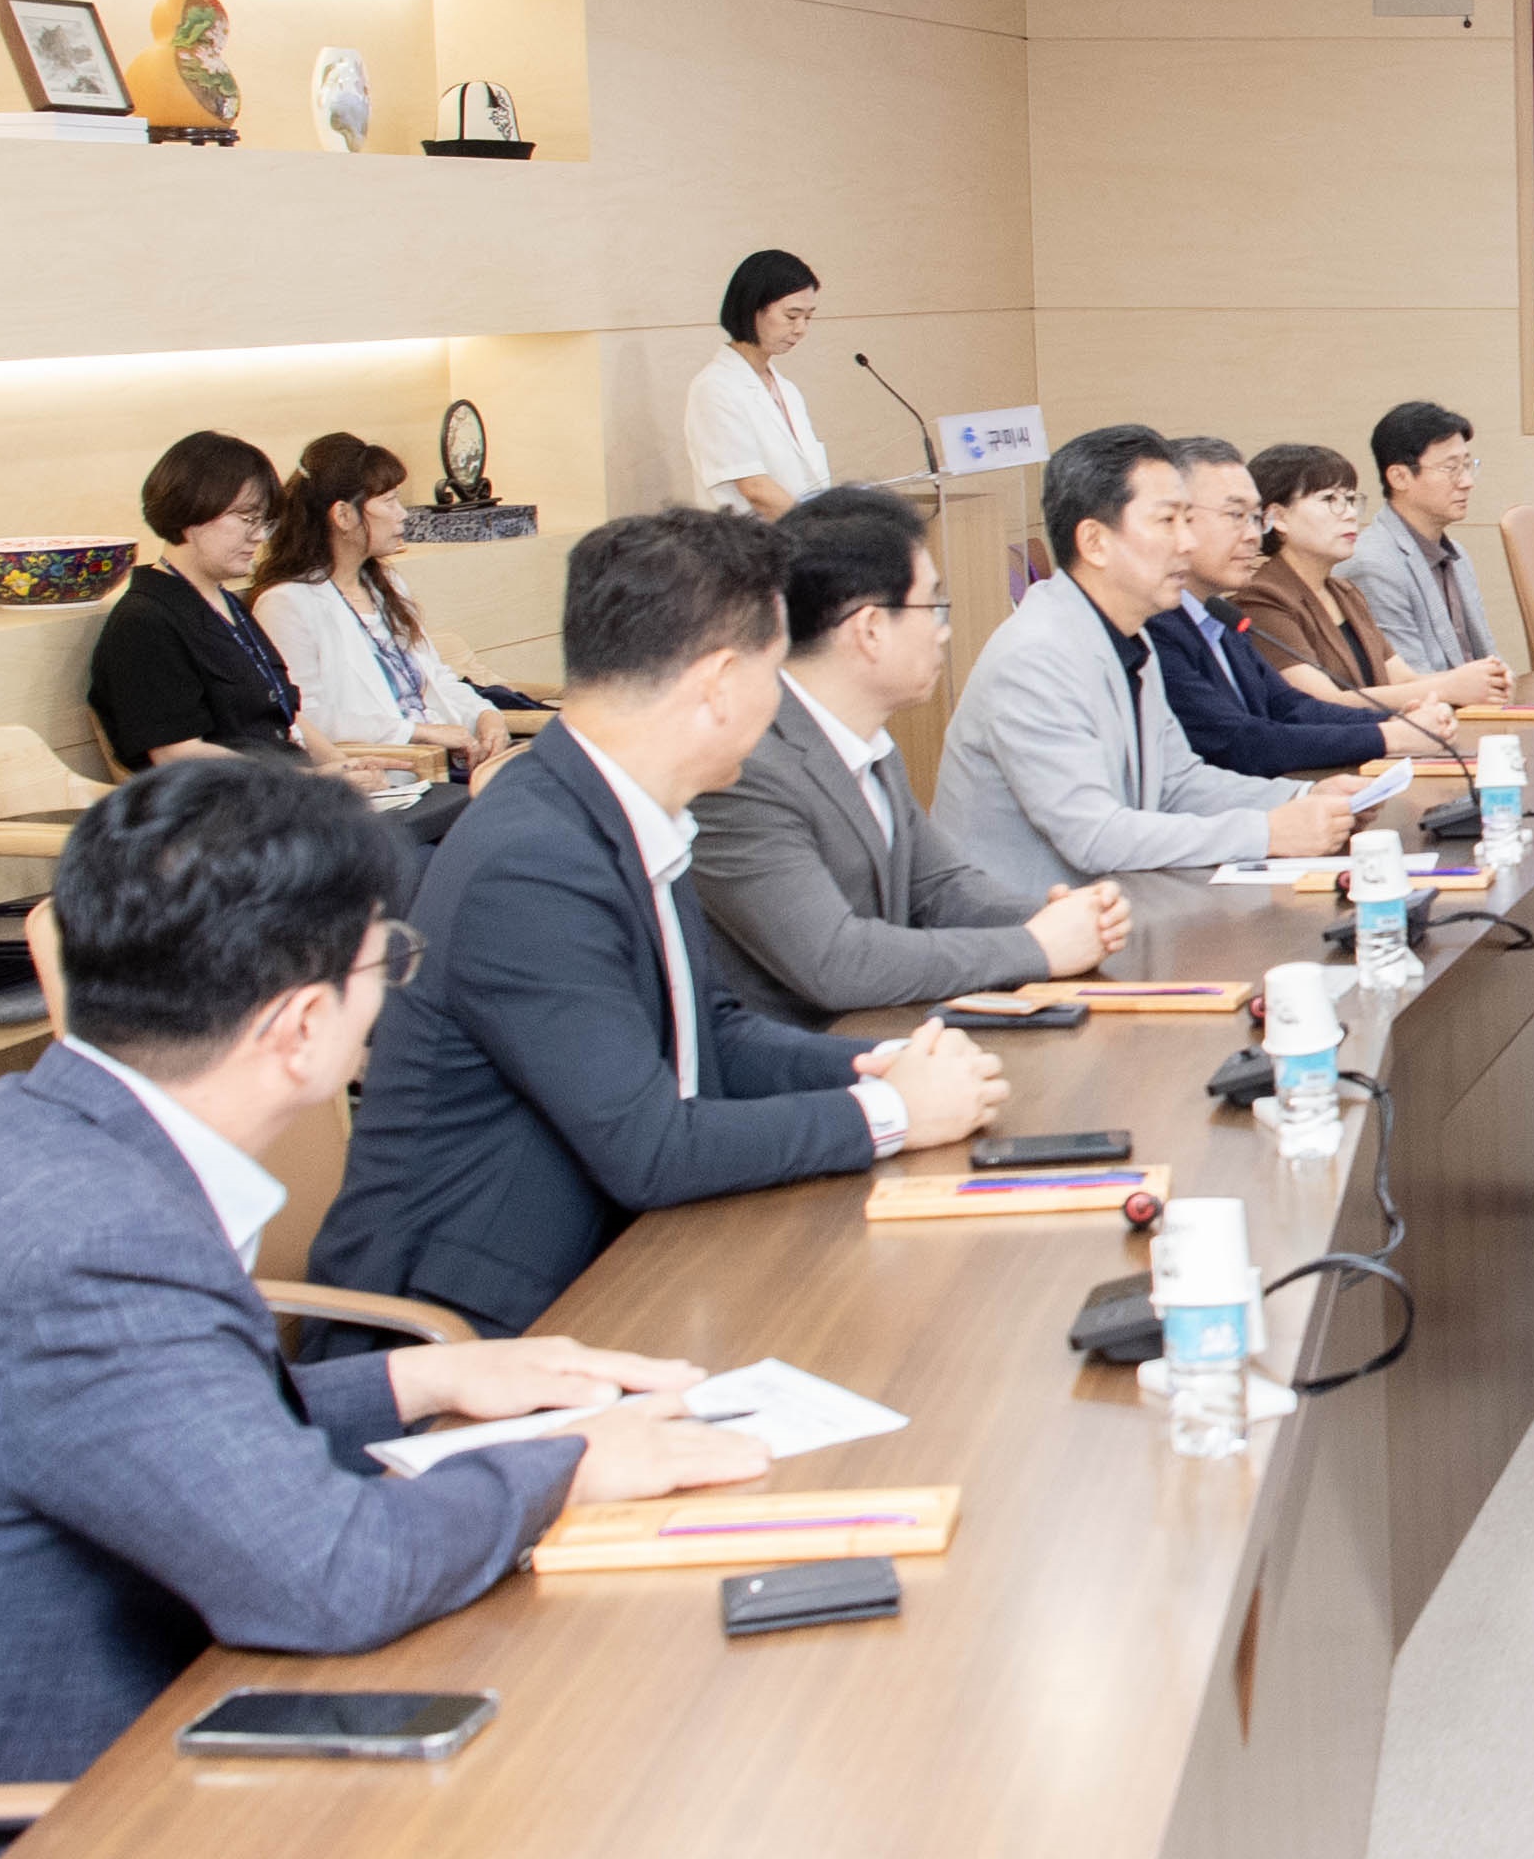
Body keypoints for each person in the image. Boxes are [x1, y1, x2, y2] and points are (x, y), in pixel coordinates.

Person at [0, 760, 765, 1859]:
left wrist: (418, 1384)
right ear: (301, 1028)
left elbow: (130, 1424)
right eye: (384, 962)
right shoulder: (101, 1240)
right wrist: (565, 1466)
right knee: (578, 1815)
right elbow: (332, 1576)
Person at [311, 511, 1008, 1336]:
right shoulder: (533, 863)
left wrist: (879, 1064)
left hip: (620, 1262)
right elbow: (650, 1149)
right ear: (718, 684)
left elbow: (710, 1035)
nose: (781, 703)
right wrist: (891, 1113)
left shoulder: (622, 805)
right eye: (775, 672)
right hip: (484, 1321)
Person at [696, 484, 1130, 1030]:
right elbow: (837, 961)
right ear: (870, 629)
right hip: (806, 1060)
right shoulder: (746, 770)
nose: (943, 633)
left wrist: (1064, 918)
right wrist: (1036, 946)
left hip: (893, 1034)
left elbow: (940, 888)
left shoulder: (869, 741)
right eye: (933, 607)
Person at [935, 425, 1375, 884]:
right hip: (1027, 919)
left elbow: (1177, 783)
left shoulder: (1130, 636)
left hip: (1117, 902)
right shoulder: (1036, 656)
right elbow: (1094, 836)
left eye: (1188, 520)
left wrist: (1303, 800)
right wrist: (1266, 832)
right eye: (1168, 521)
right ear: (1095, 542)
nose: (1187, 542)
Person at [88, 430, 468, 878]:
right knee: (421, 862)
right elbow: (178, 757)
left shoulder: (225, 603)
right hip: (228, 824)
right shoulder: (145, 621)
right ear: (190, 513)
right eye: (246, 520)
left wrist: (341, 765)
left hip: (287, 803)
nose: (258, 536)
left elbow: (288, 714)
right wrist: (309, 781)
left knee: (461, 830)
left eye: (263, 522)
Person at [246, 431, 514, 786]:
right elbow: (305, 717)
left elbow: (435, 678)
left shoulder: (385, 585)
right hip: (389, 779)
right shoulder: (287, 604)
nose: (402, 515)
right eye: (389, 502)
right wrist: (416, 733)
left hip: (447, 767)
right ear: (343, 515)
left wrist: (484, 715)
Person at [1149, 437, 1405, 780]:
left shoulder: (1218, 615)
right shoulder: (1155, 627)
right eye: (1236, 515)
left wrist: (1395, 722)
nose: (1253, 535)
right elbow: (1242, 743)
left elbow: (1291, 707)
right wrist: (1388, 735)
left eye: (1255, 518)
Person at [1234, 442, 1481, 737]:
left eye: (1351, 500)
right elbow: (1321, 704)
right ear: (1278, 517)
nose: (1350, 513)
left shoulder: (1345, 592)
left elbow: (1403, 680)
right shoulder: (1261, 600)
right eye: (1330, 499)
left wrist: (1472, 683)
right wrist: (1448, 687)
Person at [1337, 399, 1517, 693]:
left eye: (1467, 466)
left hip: (1478, 709)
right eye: (1451, 468)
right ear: (1399, 477)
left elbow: (1488, 658)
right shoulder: (1373, 564)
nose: (1467, 482)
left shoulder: (1457, 555)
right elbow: (1408, 683)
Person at [685, 248, 835, 517]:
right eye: (792, 316)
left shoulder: (786, 389)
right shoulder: (715, 388)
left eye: (808, 317)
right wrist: (817, 531)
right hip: (747, 540)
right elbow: (754, 488)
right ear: (753, 308)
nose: (801, 329)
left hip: (797, 536)